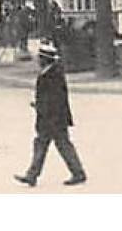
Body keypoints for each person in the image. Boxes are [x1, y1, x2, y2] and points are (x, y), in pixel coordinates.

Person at [15, 40, 86, 187]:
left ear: (45, 59)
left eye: (40, 58)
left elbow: (56, 99)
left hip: (53, 118)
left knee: (58, 145)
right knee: (47, 145)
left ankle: (77, 173)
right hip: (51, 117)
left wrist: (41, 107)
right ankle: (33, 175)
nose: (38, 61)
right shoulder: (51, 72)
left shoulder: (52, 75)